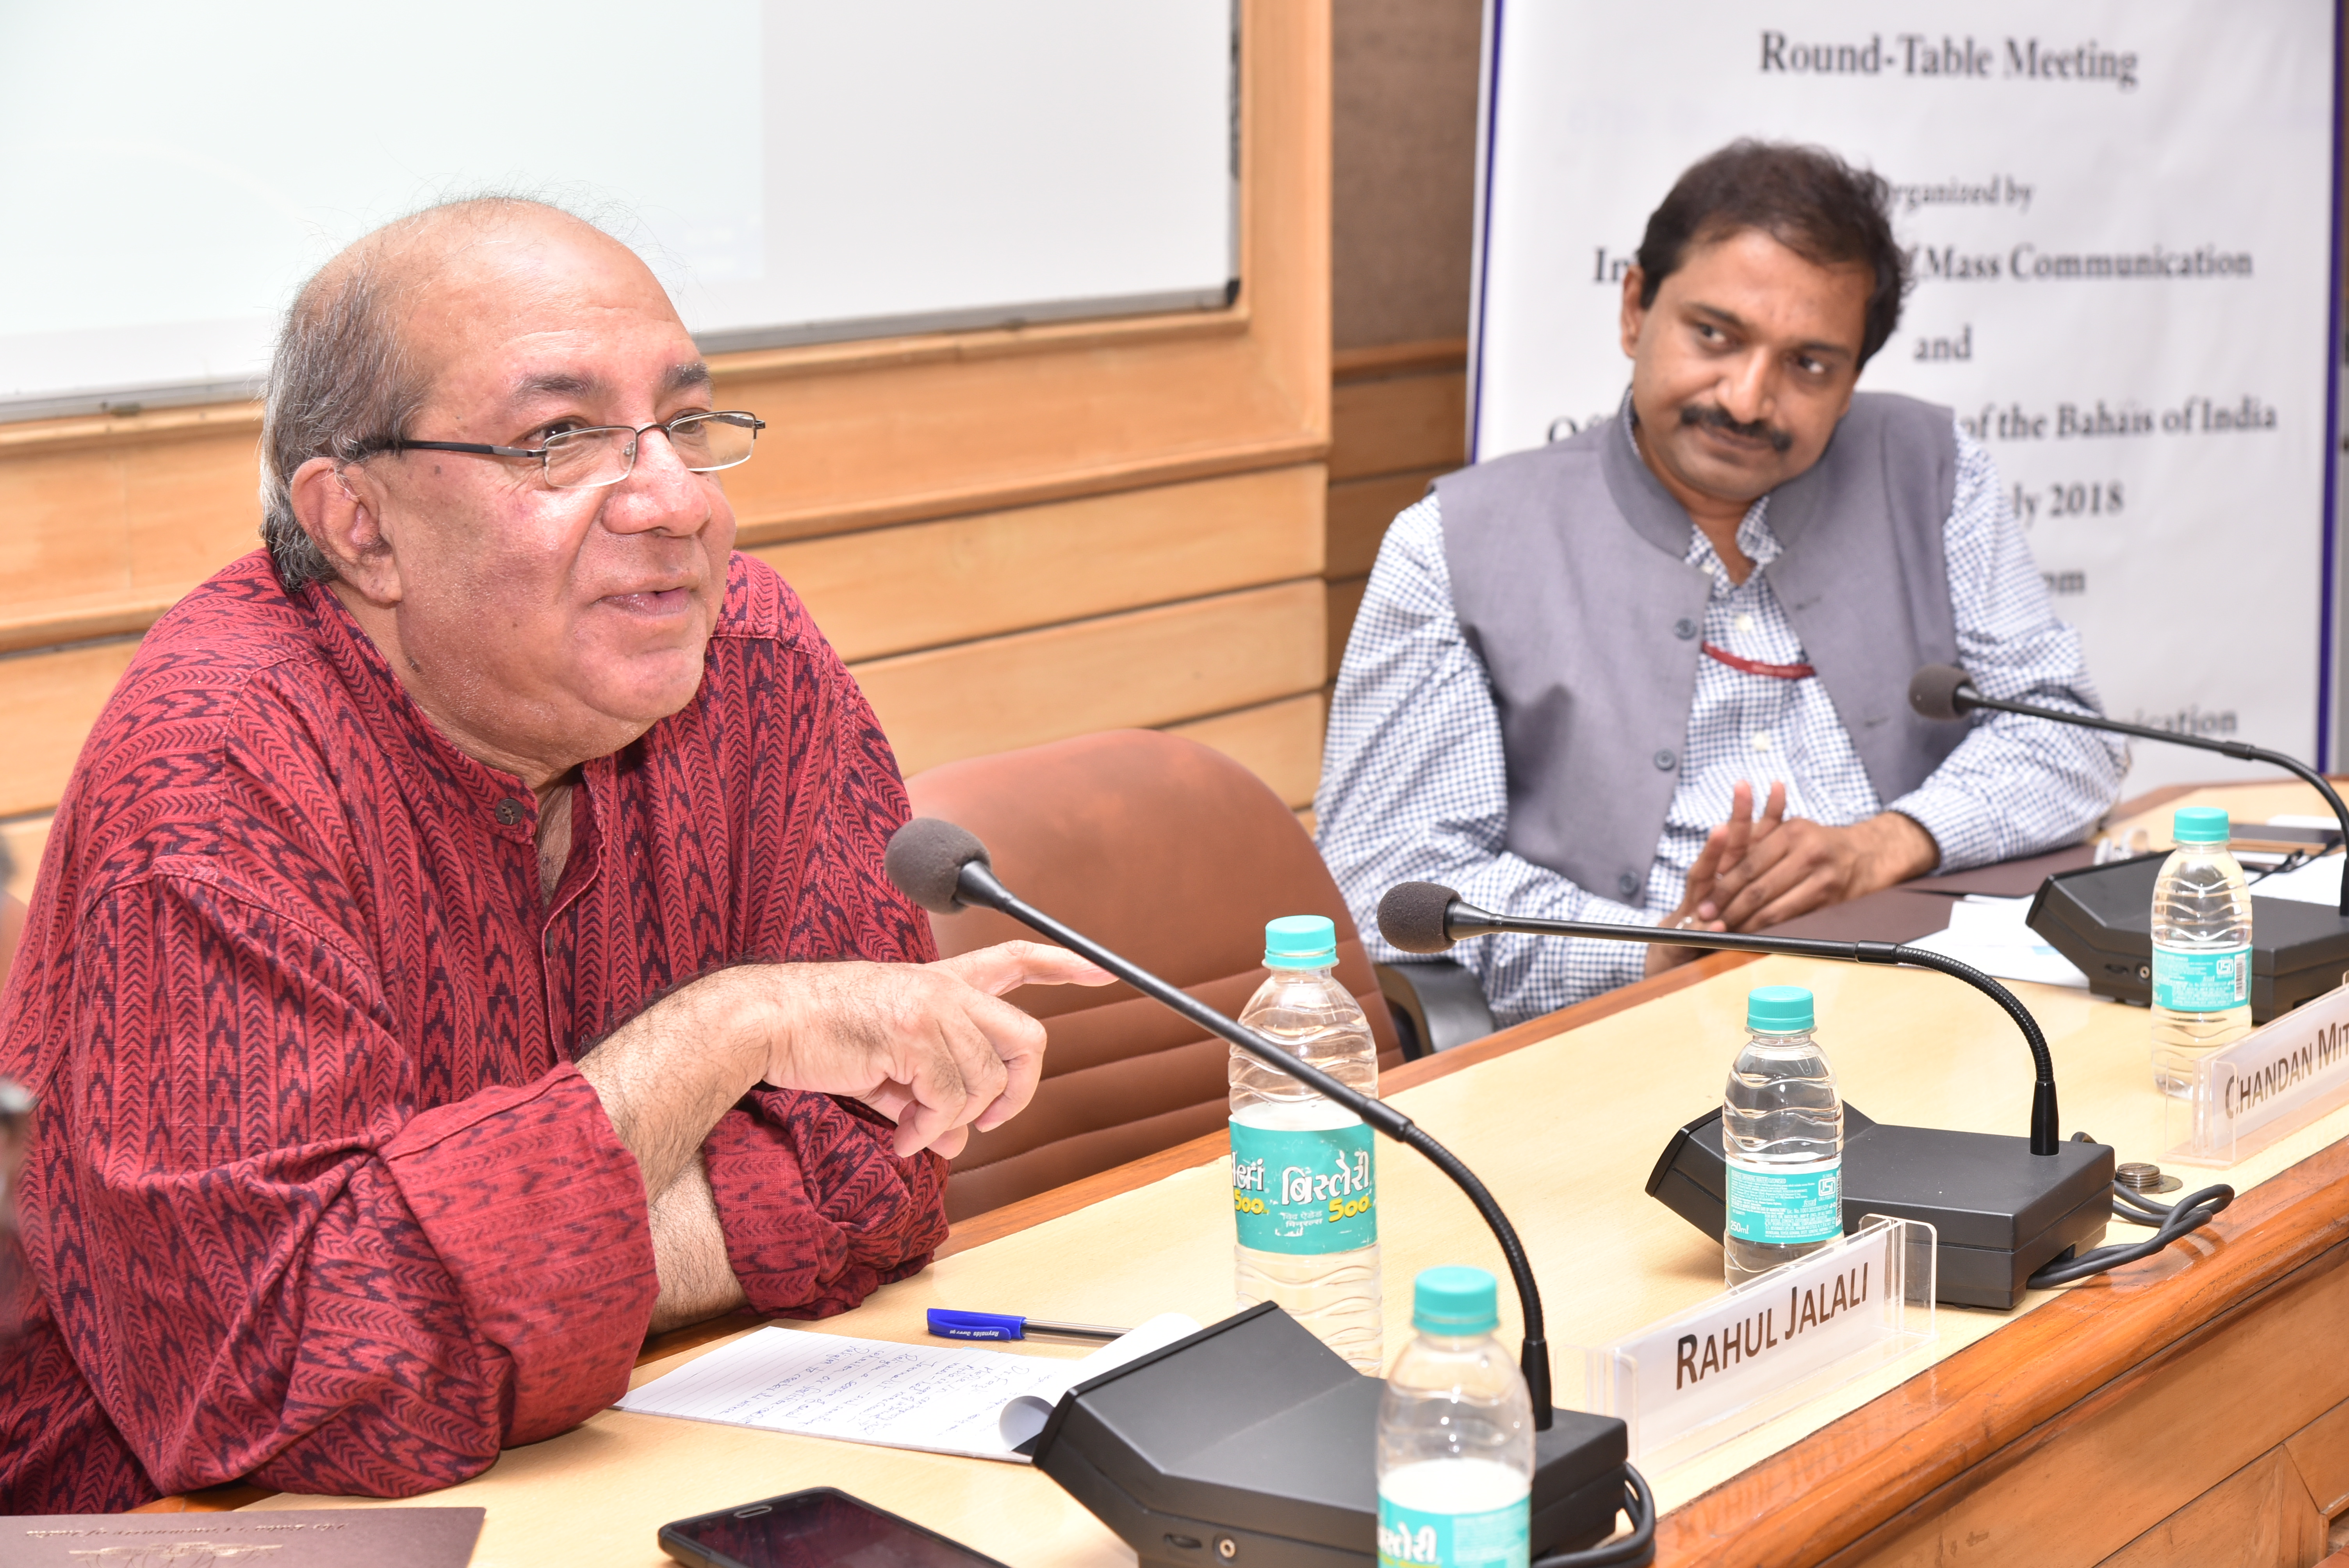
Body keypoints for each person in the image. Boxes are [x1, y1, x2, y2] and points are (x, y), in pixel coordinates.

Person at [0, 199, 1109, 1512]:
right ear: (359, 524)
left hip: (658, 1449)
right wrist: (727, 1032)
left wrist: (478, 1281)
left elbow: (886, 1170)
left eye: (684, 423)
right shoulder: (215, 767)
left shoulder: (746, 655)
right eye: (558, 439)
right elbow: (293, 1383)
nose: (676, 501)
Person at [1318, 141, 2124, 1025]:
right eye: (1714, 336)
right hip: (1639, 1034)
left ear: (1852, 381)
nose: (1746, 399)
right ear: (1635, 309)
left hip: (1943, 1006)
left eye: (1808, 365)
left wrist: (1883, 846)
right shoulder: (1452, 546)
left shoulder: (1933, 473)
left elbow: (2068, 737)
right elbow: (1395, 883)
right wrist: (1652, 952)